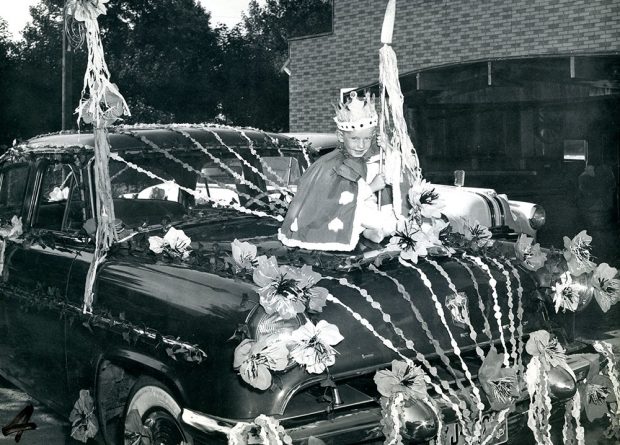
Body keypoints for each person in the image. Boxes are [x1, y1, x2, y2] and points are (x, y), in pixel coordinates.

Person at [278, 91, 398, 251]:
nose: (361, 145)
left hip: (357, 205)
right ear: (341, 137)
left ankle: (368, 231)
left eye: (367, 139)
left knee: (391, 224)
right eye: (355, 139)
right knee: (385, 223)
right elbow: (338, 197)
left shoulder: (364, 154)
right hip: (331, 212)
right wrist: (372, 187)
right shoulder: (333, 163)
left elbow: (391, 171)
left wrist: (387, 148)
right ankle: (366, 229)